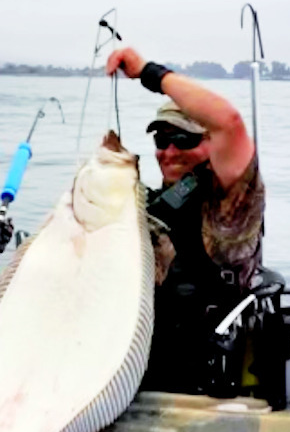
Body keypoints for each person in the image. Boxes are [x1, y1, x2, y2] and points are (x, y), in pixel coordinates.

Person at [106, 46, 265, 393]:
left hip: (201, 387)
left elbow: (229, 123)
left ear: (212, 145)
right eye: (162, 140)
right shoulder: (146, 202)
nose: (170, 152)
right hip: (137, 369)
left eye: (184, 139)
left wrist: (149, 72)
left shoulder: (228, 203)